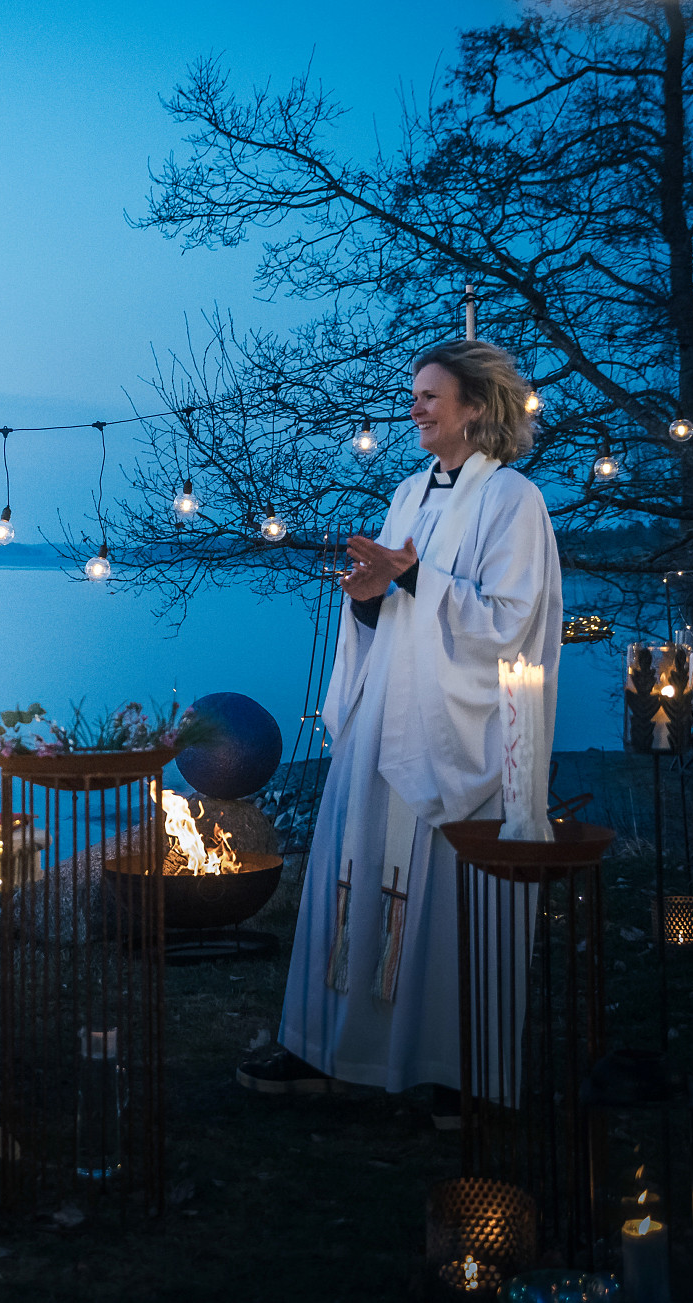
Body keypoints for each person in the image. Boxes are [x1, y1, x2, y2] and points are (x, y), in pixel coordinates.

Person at [245, 340, 559, 1124]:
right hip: (385, 709)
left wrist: (412, 575)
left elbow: (509, 621)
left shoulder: (513, 500)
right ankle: (329, 1046)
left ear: (475, 407)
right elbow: (393, 606)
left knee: (453, 893)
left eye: (429, 396)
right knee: (353, 866)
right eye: (414, 395)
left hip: (458, 727)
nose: (413, 408)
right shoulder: (409, 492)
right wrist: (365, 598)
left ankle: (459, 1069)